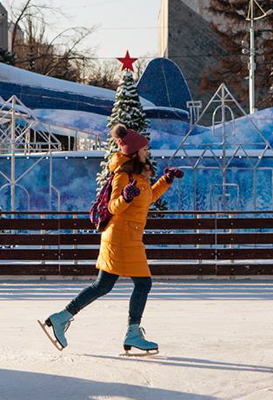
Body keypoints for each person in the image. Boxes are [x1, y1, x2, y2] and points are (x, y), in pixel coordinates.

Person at [42, 124, 183, 354]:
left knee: (103, 285)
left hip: (126, 236)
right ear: (135, 152)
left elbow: (147, 200)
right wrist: (126, 197)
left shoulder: (140, 176)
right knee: (143, 283)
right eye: (145, 149)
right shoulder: (123, 175)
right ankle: (133, 332)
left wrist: (166, 181)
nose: (148, 153)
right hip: (122, 237)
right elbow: (113, 206)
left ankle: (61, 317)